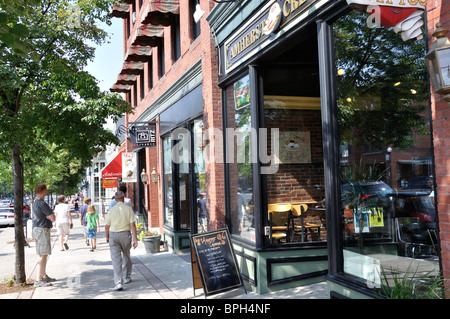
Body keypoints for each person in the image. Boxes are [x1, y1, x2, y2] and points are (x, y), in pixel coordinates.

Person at [105, 191, 138, 291]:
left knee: (116, 260)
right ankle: (127, 277)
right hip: (125, 235)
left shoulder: (111, 210)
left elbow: (107, 226)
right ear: (123, 199)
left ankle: (118, 282)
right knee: (126, 256)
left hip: (114, 235)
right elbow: (133, 225)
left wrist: (107, 236)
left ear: (115, 199)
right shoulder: (128, 209)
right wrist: (135, 239)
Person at [32, 184, 56, 287]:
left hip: (38, 229)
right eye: (46, 190)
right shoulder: (42, 204)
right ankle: (38, 279)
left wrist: (48, 217)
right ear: (43, 191)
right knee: (43, 255)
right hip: (42, 230)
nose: (46, 192)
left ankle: (44, 276)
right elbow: (53, 218)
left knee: (43, 254)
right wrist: (49, 216)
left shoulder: (35, 203)